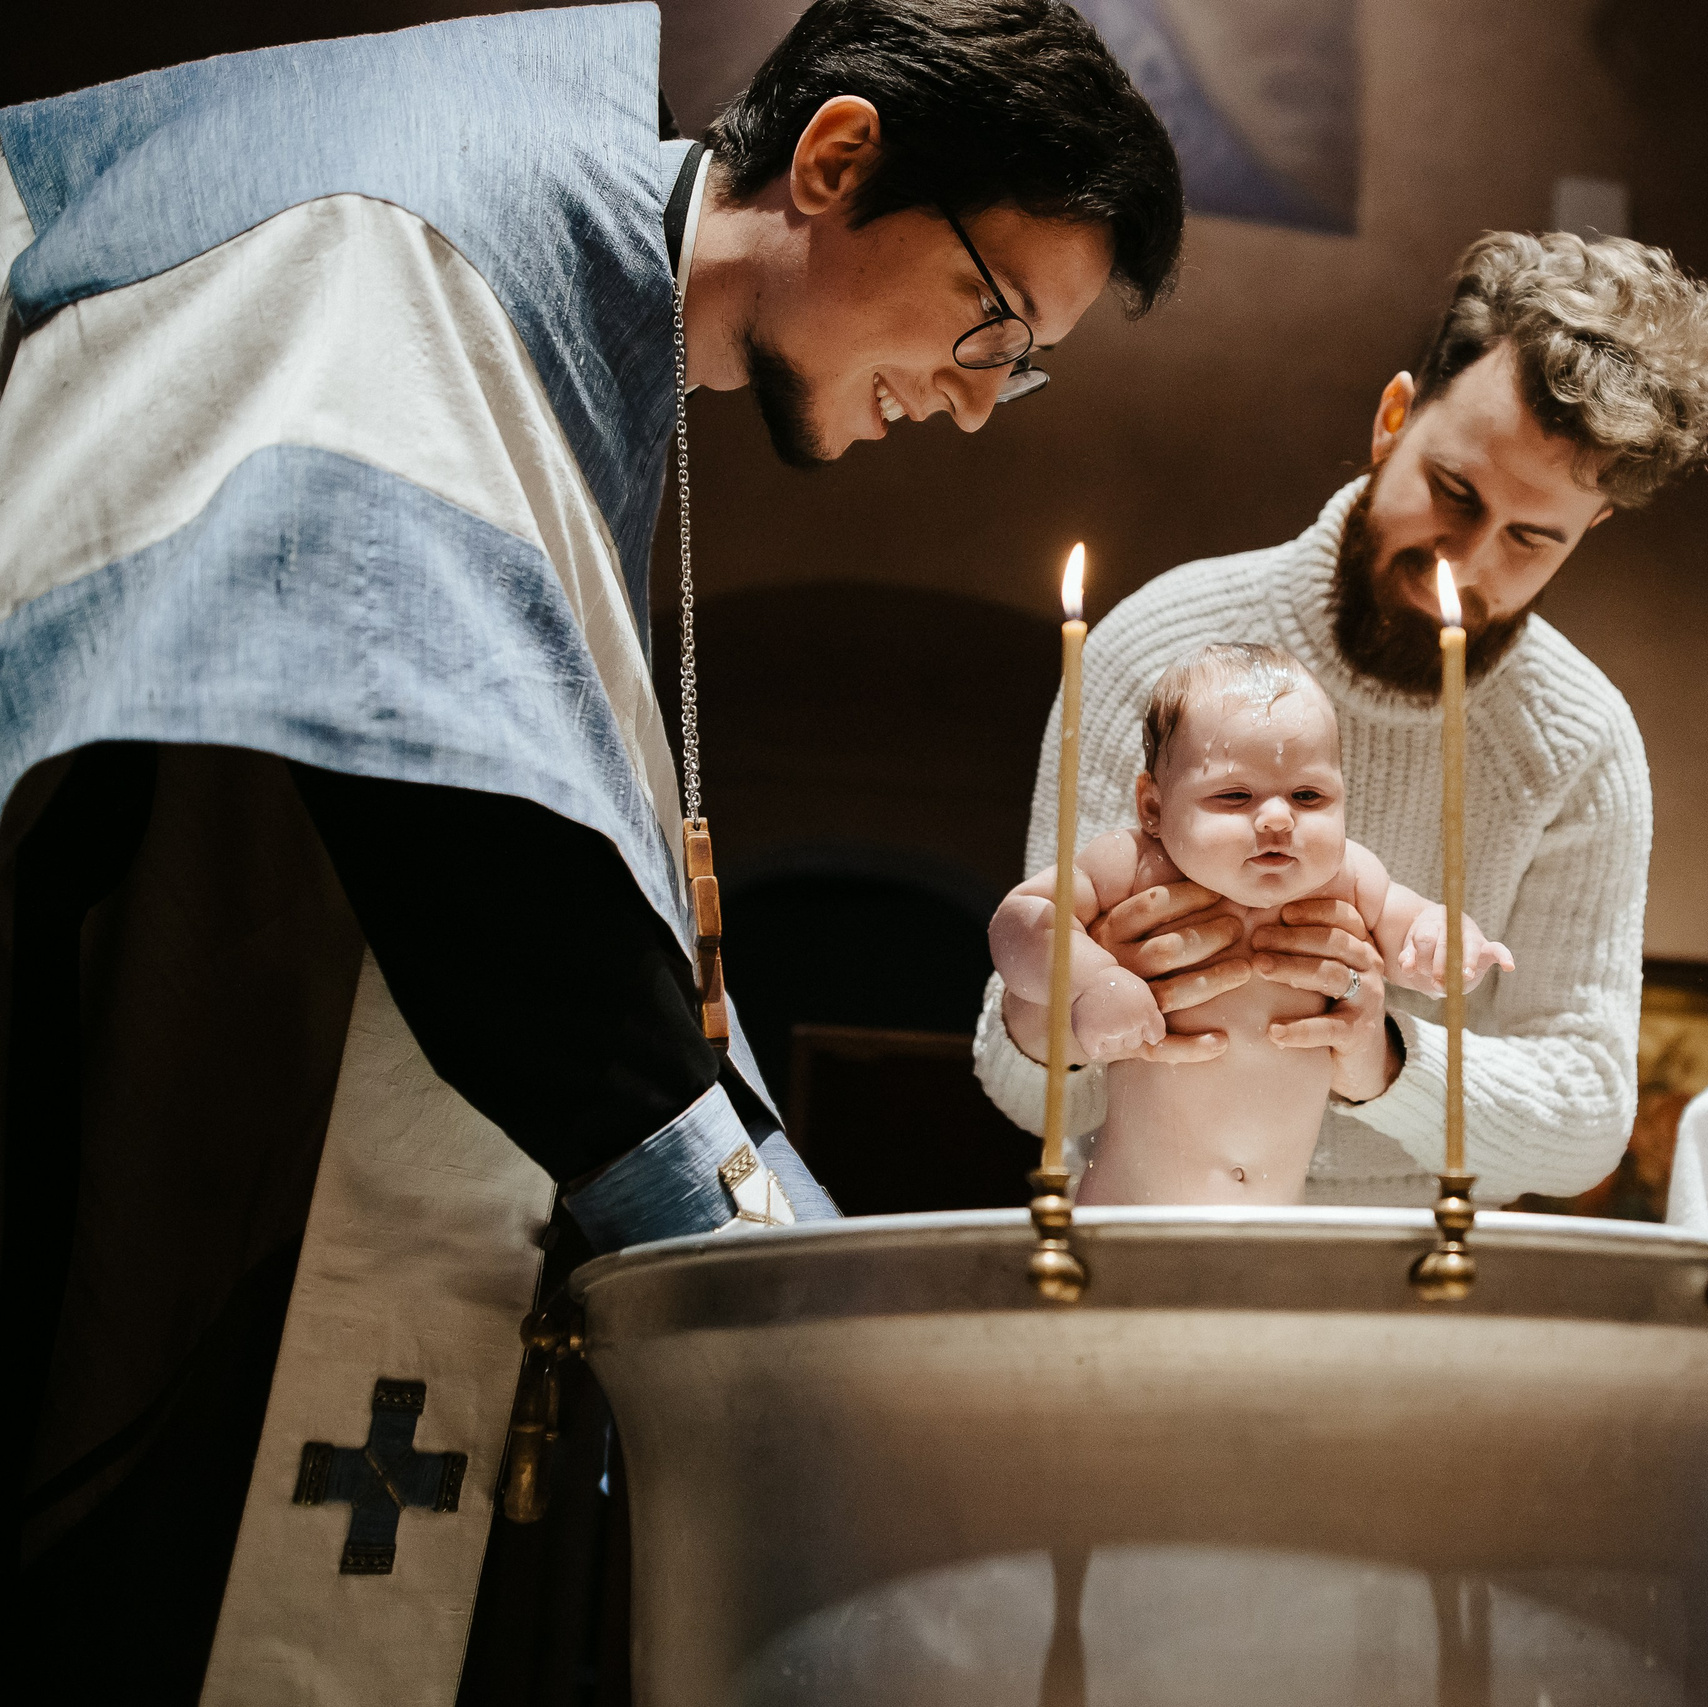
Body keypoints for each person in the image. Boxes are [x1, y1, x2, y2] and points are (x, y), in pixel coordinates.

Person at [0, 0, 1180, 1693]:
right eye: (992, 328)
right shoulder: (426, 242)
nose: (981, 407)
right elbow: (494, 887)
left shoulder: (579, 315)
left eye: (1024, 366)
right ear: (836, 158)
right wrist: (792, 1286)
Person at [973, 230, 1708, 1206]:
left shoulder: (1581, 743)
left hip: (1421, 1301)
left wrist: (1379, 1053)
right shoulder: (1160, 646)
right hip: (1158, 1260)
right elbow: (1017, 1089)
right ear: (1393, 419)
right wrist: (1083, 1000)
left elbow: (1586, 1124)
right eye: (1452, 492)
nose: (1461, 566)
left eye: (1528, 538)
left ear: (1590, 528)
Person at [990, 643, 1509, 1204]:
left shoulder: (1346, 876)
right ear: (1154, 808)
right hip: (1126, 1213)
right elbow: (1021, 922)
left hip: (1273, 1220)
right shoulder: (1131, 868)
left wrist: (1444, 944)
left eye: (1309, 795)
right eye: (1235, 795)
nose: (1279, 819)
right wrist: (1090, 981)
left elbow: (1415, 935)